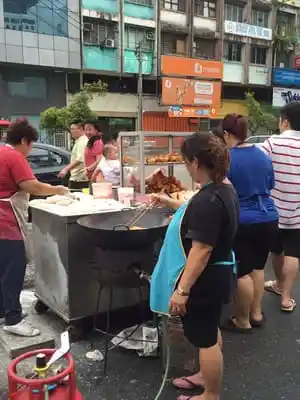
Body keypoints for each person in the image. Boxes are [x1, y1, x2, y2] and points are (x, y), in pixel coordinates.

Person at [150, 133, 239, 400]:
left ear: (197, 162)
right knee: (209, 329)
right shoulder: (223, 188)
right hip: (220, 272)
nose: (186, 168)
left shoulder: (207, 200)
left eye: (187, 162)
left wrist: (183, 290)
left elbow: (201, 250)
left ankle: (210, 394)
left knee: (205, 337)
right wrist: (169, 202)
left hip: (206, 278)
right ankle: (205, 375)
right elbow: (196, 214)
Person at [0, 119, 69, 337]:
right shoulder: (13, 156)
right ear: (23, 141)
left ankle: (4, 311)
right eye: (30, 145)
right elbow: (31, 185)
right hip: (6, 222)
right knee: (13, 268)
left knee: (2, 269)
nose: (30, 150)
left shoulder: (2, 152)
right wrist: (57, 190)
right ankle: (12, 319)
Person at [214, 114, 278, 333]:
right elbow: (270, 184)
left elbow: (221, 190)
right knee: (258, 267)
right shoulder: (263, 156)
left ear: (225, 134)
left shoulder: (227, 158)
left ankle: (242, 320)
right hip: (269, 217)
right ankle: (256, 313)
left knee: (241, 271)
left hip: (243, 220)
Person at [262, 102, 300, 313]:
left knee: (276, 250)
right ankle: (286, 297)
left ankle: (278, 283)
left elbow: (258, 163)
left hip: (274, 209)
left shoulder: (272, 143)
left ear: (285, 121)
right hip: (298, 211)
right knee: (293, 253)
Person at [58, 121, 88, 190]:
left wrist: (66, 169)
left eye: (73, 129)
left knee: (78, 197)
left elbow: (80, 159)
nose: (71, 131)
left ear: (81, 129)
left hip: (79, 179)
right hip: (78, 178)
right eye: (71, 129)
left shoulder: (82, 142)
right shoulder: (79, 141)